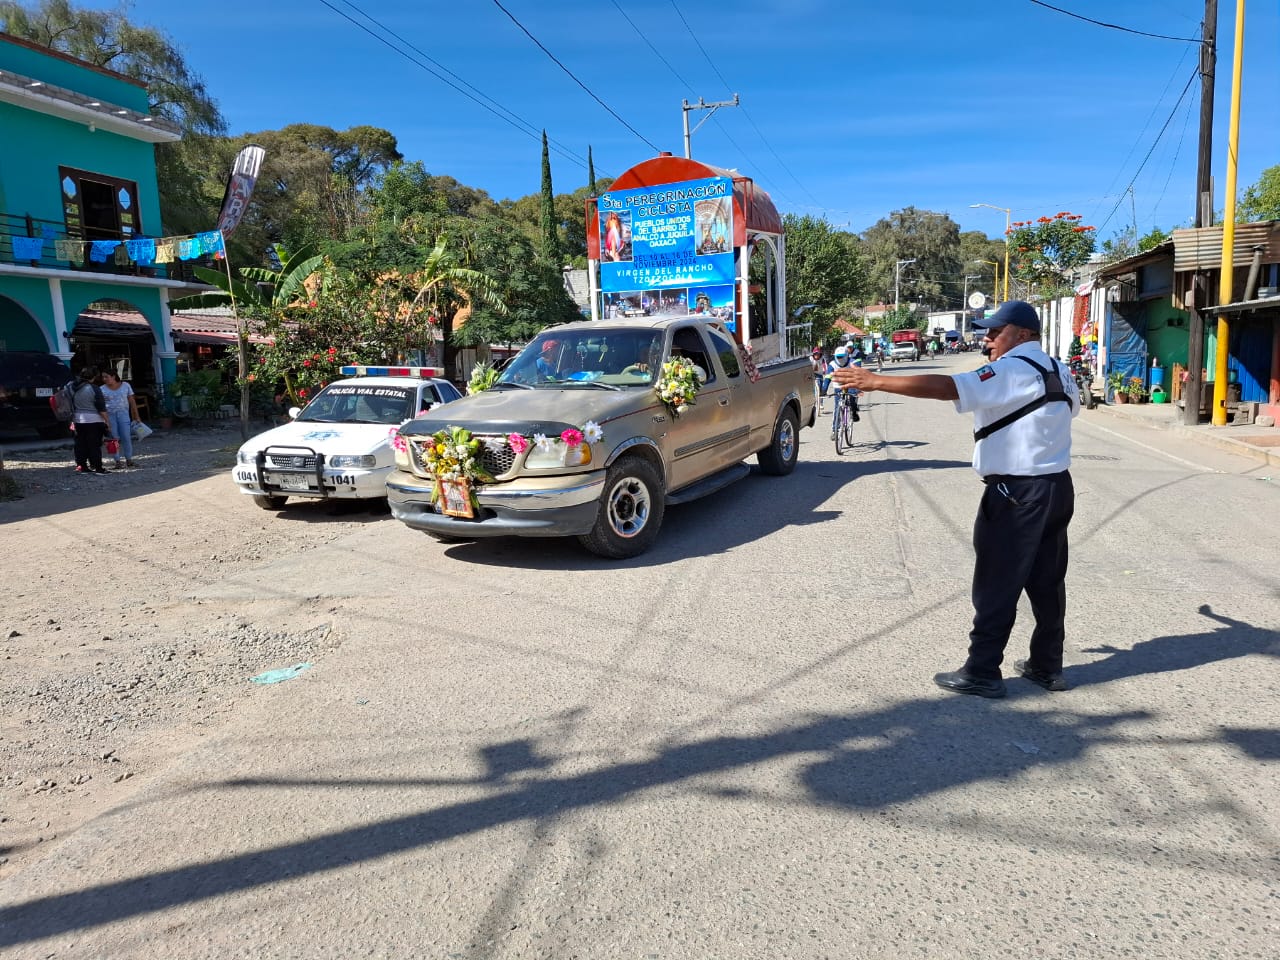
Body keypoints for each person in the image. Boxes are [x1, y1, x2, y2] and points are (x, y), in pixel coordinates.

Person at [831, 300, 1080, 698]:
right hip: (1056, 487)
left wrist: (875, 381)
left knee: (997, 581)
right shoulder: (1060, 370)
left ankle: (982, 670)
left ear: (1024, 335)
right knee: (1047, 582)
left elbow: (949, 388)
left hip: (1016, 493)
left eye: (997, 332)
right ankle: (1047, 666)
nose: (989, 339)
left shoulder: (1012, 368)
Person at [70, 365, 112, 475]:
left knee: (80, 444)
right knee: (94, 445)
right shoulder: (94, 389)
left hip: (77, 420)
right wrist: (107, 421)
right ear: (94, 377)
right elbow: (101, 408)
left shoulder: (73, 387)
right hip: (94, 420)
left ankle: (82, 466)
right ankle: (98, 468)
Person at [100, 369, 140, 469]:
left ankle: (129, 460)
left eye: (106, 376)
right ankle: (117, 461)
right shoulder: (101, 389)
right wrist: (104, 420)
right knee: (113, 439)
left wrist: (136, 415)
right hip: (109, 416)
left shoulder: (126, 385)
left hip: (124, 414)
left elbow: (132, 401)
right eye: (103, 377)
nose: (104, 379)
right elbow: (100, 406)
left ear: (113, 376)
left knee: (126, 437)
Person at [826, 346, 860, 438]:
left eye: (842, 357)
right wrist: (824, 389)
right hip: (838, 385)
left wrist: (858, 388)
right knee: (837, 407)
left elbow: (858, 375)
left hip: (850, 384)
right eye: (838, 357)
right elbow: (828, 377)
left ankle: (854, 412)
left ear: (846, 355)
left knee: (852, 399)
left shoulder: (852, 362)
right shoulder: (832, 364)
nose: (840, 359)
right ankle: (835, 430)